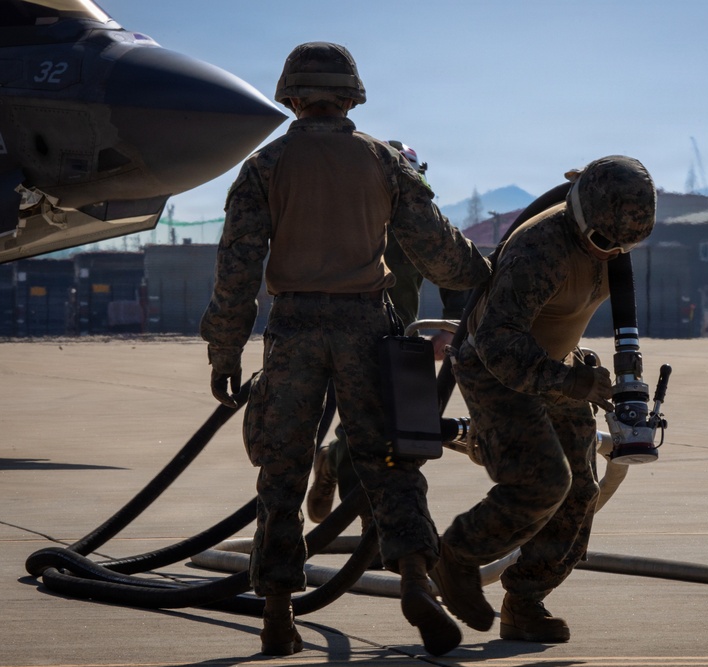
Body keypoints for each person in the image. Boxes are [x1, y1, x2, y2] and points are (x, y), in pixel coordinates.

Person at [199, 42, 490, 657]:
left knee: (282, 471)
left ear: (293, 99)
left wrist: (225, 352)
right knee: (391, 462)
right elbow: (436, 247)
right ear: (353, 97)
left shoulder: (265, 166)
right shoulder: (384, 163)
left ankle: (278, 615)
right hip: (369, 328)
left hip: (295, 328)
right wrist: (486, 273)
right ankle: (415, 582)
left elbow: (236, 271)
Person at [430, 155, 656, 643]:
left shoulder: (609, 237)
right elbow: (495, 342)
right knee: (542, 483)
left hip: (555, 367)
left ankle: (525, 602)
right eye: (601, 242)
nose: (611, 253)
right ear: (579, 219)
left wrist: (582, 374)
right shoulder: (540, 250)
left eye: (626, 245)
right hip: (497, 371)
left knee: (579, 493)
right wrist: (572, 384)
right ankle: (457, 554)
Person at [306, 140, 468, 525]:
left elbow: (454, 267)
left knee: (383, 432)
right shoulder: (342, 215)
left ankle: (338, 475)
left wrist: (451, 326)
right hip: (337, 335)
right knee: (362, 428)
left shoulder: (421, 221)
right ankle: (362, 521)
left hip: (396, 340)